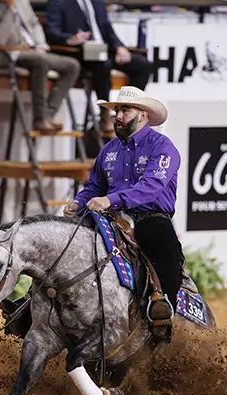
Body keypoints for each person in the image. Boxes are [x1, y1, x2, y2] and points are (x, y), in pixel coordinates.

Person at [64, 86, 183, 335]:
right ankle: (38, 301)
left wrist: (111, 200)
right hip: (111, 216)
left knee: (163, 245)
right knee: (67, 243)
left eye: (125, 110)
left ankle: (163, 308)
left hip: (149, 216)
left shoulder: (162, 147)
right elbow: (94, 186)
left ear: (143, 115)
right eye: (117, 110)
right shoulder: (109, 151)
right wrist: (79, 201)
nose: (118, 116)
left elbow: (151, 186)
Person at [42, 0, 152, 132]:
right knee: (102, 65)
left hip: (104, 50)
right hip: (78, 53)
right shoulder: (59, 2)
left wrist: (119, 47)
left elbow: (107, 29)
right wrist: (71, 39)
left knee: (143, 65)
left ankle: (128, 113)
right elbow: (52, 32)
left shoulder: (96, 2)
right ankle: (105, 114)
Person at [0, 0, 81, 134]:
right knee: (40, 62)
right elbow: (0, 40)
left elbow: (34, 24)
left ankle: (48, 114)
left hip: (34, 51)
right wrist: (9, 10)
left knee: (72, 66)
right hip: (9, 54)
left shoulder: (22, 2)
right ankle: (40, 118)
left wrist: (41, 45)